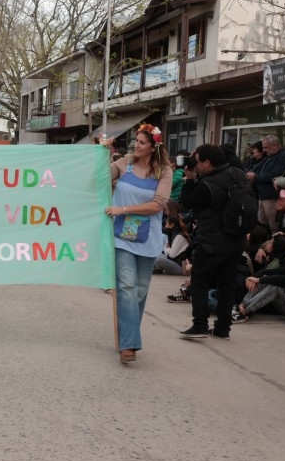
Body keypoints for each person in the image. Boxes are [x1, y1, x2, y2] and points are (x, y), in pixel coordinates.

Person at [104, 123, 172, 363]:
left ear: (154, 147)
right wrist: (102, 153)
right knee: (127, 287)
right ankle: (129, 344)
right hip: (121, 237)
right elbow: (99, 174)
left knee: (140, 291)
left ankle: (128, 335)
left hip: (148, 239)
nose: (137, 146)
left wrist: (122, 209)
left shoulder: (164, 171)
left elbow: (158, 205)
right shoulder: (124, 164)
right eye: (136, 141)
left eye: (142, 142)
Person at [180, 144, 248, 340]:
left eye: (199, 161)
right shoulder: (238, 174)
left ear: (207, 162)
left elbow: (188, 201)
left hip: (211, 241)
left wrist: (190, 179)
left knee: (199, 281)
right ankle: (222, 329)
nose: (197, 165)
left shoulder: (207, 184)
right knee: (226, 284)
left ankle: (200, 325)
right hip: (236, 240)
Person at [233, 241, 285, 323]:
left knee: (276, 286)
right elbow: (270, 272)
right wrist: (254, 278)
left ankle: (244, 310)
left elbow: (281, 279)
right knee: (266, 279)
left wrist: (259, 280)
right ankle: (241, 307)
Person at [247, 135, 285, 232]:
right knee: (262, 227)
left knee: (273, 227)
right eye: (263, 147)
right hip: (263, 197)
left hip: (272, 198)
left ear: (274, 145)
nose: (264, 150)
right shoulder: (271, 156)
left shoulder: (283, 156)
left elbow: (276, 175)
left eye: (266, 147)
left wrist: (256, 177)